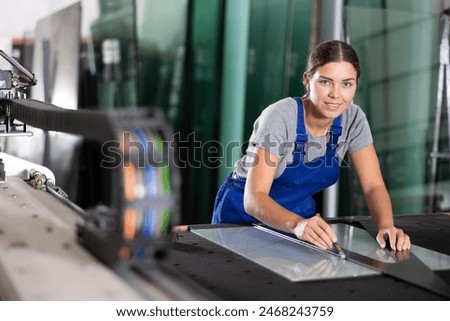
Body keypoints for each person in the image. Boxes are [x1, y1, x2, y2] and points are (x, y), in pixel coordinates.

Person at [212, 40, 411, 252]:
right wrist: (297, 225)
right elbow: (253, 199)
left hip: (299, 216)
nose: (336, 94)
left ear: (356, 84)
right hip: (242, 217)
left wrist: (386, 226)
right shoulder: (279, 117)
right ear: (307, 80)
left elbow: (373, 186)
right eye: (326, 82)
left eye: (346, 84)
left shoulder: (353, 120)